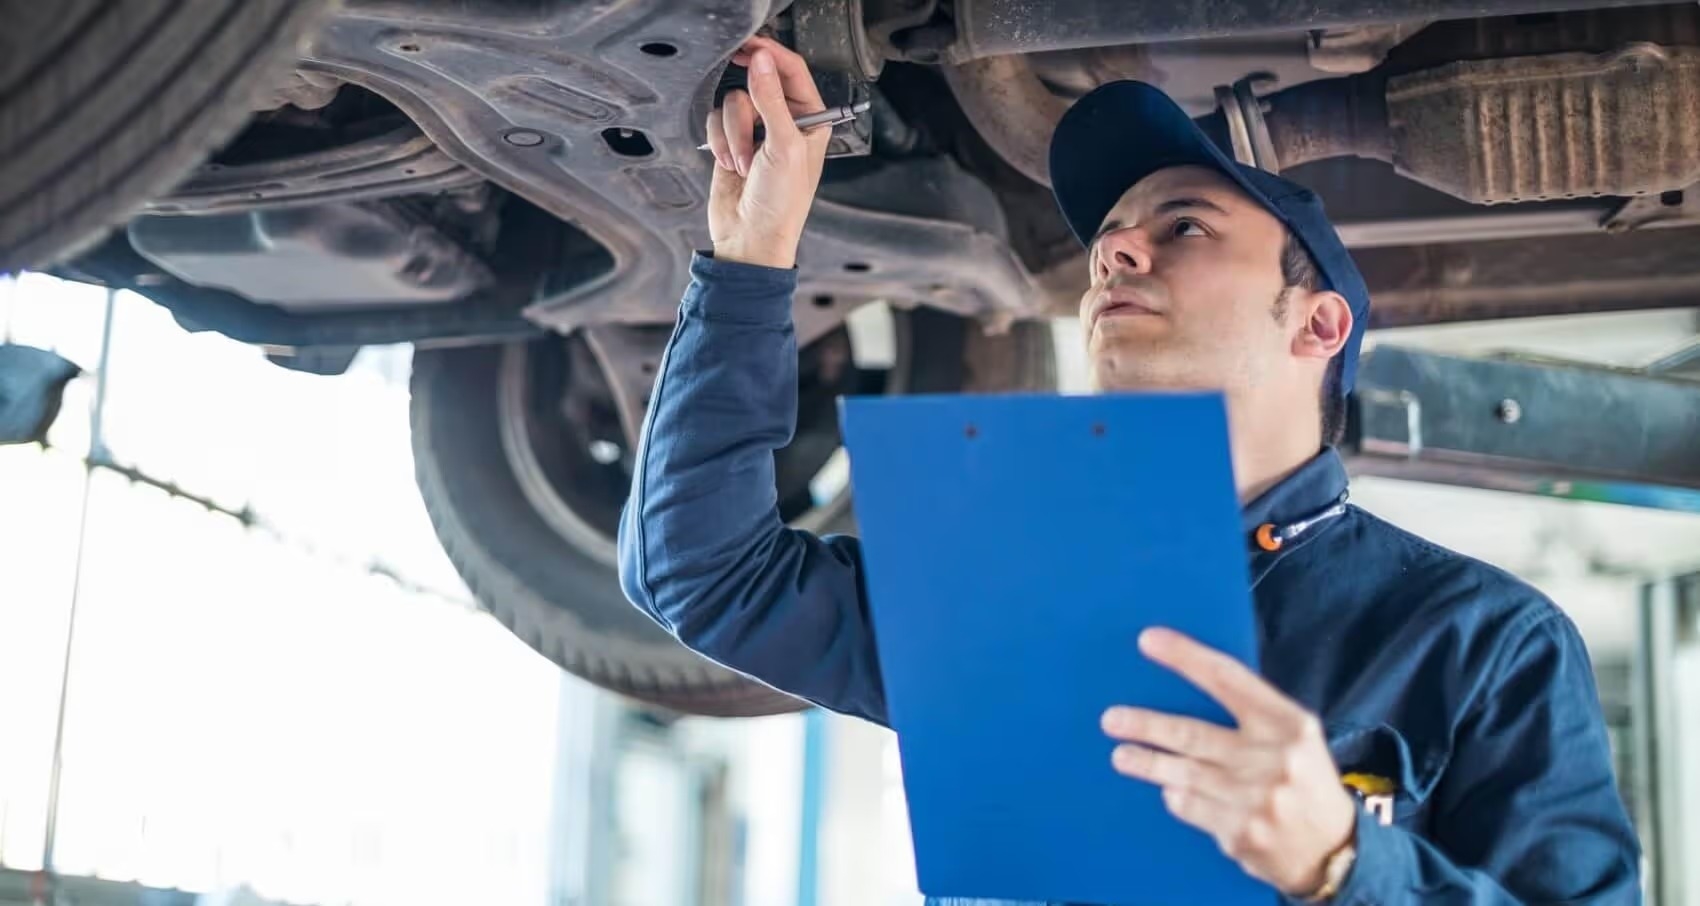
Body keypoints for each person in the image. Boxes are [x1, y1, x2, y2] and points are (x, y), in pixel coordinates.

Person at [618, 35, 1641, 905]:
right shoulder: (1006, 589)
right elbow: (706, 573)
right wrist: (750, 261)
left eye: (1183, 226)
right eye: (1106, 242)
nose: (1113, 254)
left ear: (1318, 322)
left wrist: (1341, 862)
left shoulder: (1483, 645)